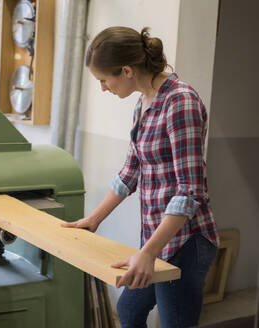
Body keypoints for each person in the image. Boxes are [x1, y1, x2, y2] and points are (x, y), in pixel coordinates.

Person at [61, 26, 219, 328]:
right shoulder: (144, 102)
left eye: (104, 80)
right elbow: (130, 172)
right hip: (157, 240)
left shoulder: (180, 103)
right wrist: (93, 219)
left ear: (127, 70)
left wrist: (147, 253)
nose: (103, 88)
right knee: (131, 311)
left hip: (186, 242)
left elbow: (189, 192)